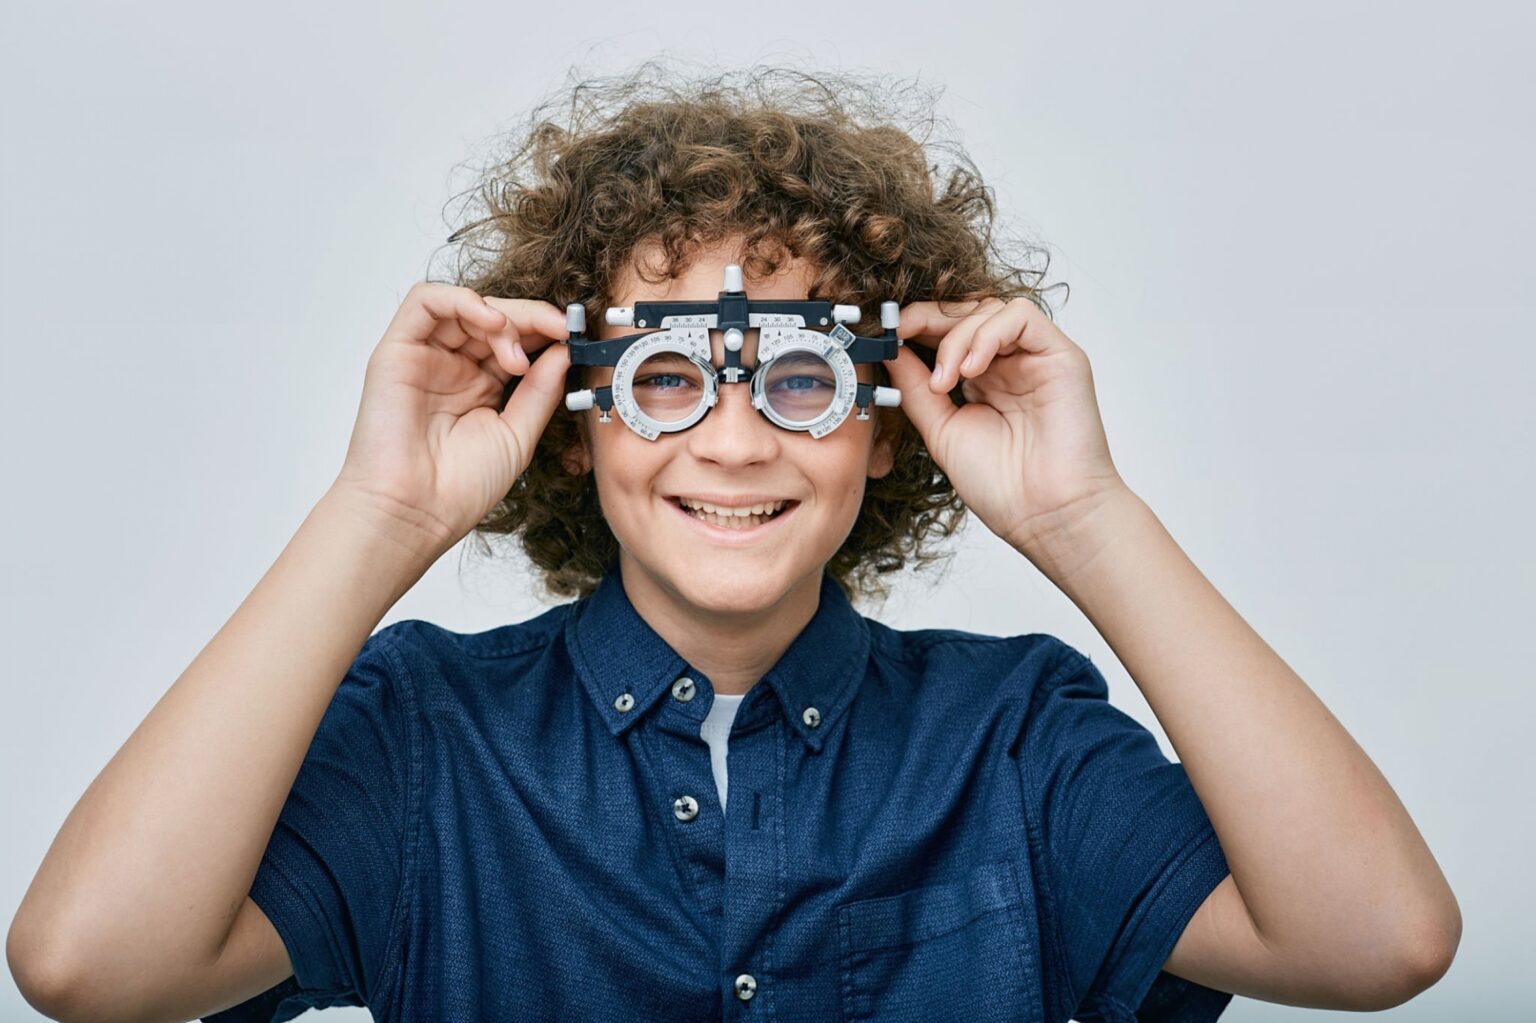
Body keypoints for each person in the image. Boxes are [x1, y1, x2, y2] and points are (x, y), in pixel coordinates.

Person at [7, 65, 1460, 1023]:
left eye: (803, 378)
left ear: (887, 423)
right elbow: (87, 968)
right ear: (570, 423)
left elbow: (1378, 941)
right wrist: (376, 515)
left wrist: (1086, 516)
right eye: (664, 380)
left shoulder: (1012, 738)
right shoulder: (428, 739)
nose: (737, 440)